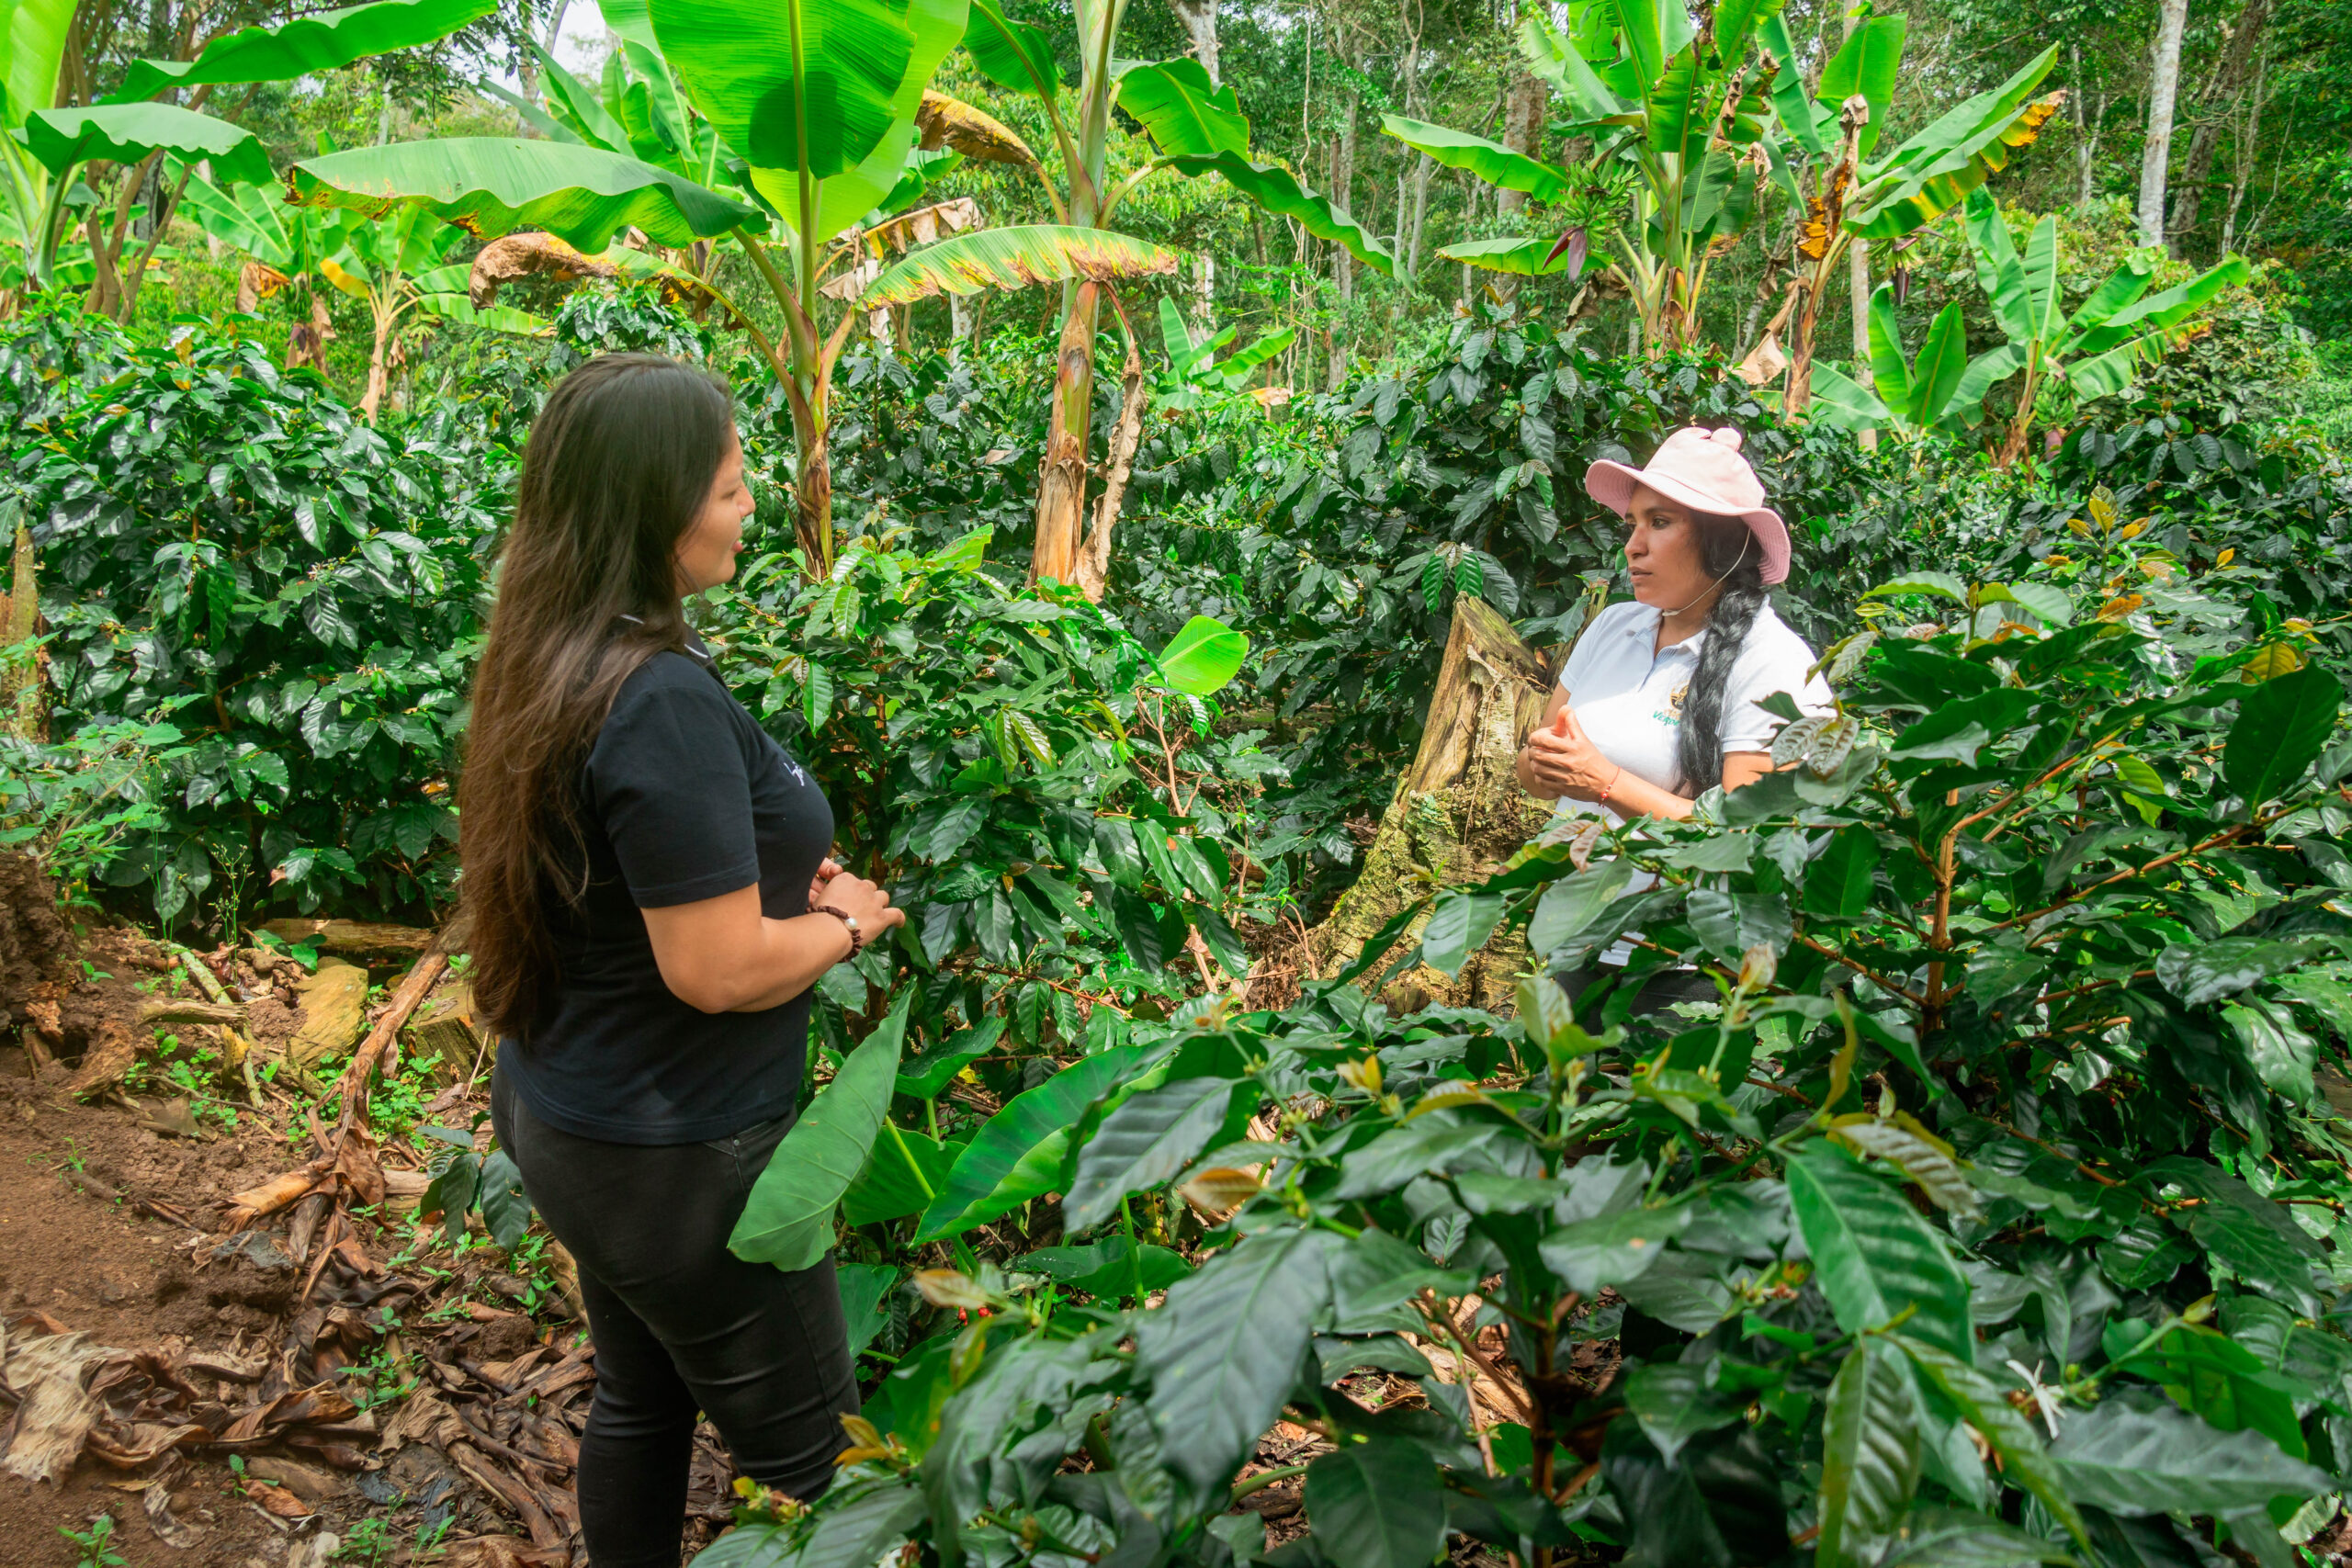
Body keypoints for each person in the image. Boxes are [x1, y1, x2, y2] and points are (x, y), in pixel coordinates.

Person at [455, 354, 906, 1567]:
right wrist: (848, 922)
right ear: (655, 508)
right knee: (829, 1478)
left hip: (578, 1117)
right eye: (729, 485)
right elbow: (712, 969)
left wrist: (771, 888)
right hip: (680, 1163)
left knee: (641, 1396)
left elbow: (629, 880)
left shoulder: (557, 648)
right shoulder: (655, 698)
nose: (751, 503)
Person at [1516, 424, 1831, 1020]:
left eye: (1659, 523)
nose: (1633, 544)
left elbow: (1749, 839)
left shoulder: (1773, 664)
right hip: (1570, 943)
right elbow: (1535, 772)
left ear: (1721, 541)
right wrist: (1545, 765)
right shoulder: (1614, 626)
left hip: (1683, 971)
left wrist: (1605, 780)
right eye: (1632, 523)